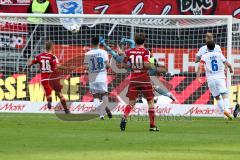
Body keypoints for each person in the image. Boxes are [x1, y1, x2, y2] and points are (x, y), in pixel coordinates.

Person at [120, 33, 159, 131]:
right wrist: (152, 64)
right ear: (144, 41)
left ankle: (124, 117)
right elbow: (146, 65)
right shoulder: (146, 52)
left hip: (133, 79)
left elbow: (123, 65)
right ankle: (152, 125)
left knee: (131, 102)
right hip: (144, 79)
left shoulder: (129, 52)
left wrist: (132, 66)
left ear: (135, 41)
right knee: (150, 101)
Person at [28, 41, 70, 114]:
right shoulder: (53, 57)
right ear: (52, 47)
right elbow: (58, 66)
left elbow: (29, 64)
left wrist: (29, 60)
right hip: (53, 78)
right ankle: (66, 110)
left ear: (45, 47)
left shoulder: (39, 56)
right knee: (59, 95)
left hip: (45, 79)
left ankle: (49, 100)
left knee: (48, 94)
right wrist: (67, 68)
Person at [196, 41, 233, 120]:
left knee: (217, 97)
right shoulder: (219, 54)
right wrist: (230, 69)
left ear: (207, 47)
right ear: (214, 47)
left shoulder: (204, 55)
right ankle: (227, 110)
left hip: (210, 79)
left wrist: (198, 77)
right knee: (224, 94)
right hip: (220, 77)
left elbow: (200, 66)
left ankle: (224, 112)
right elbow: (228, 64)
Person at [84, 36, 112, 120]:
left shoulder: (87, 53)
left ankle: (101, 115)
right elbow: (107, 65)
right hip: (102, 77)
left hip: (92, 78)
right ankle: (105, 107)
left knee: (95, 96)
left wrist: (91, 68)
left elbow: (86, 67)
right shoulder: (103, 52)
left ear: (91, 43)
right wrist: (106, 68)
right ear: (99, 43)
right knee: (104, 95)